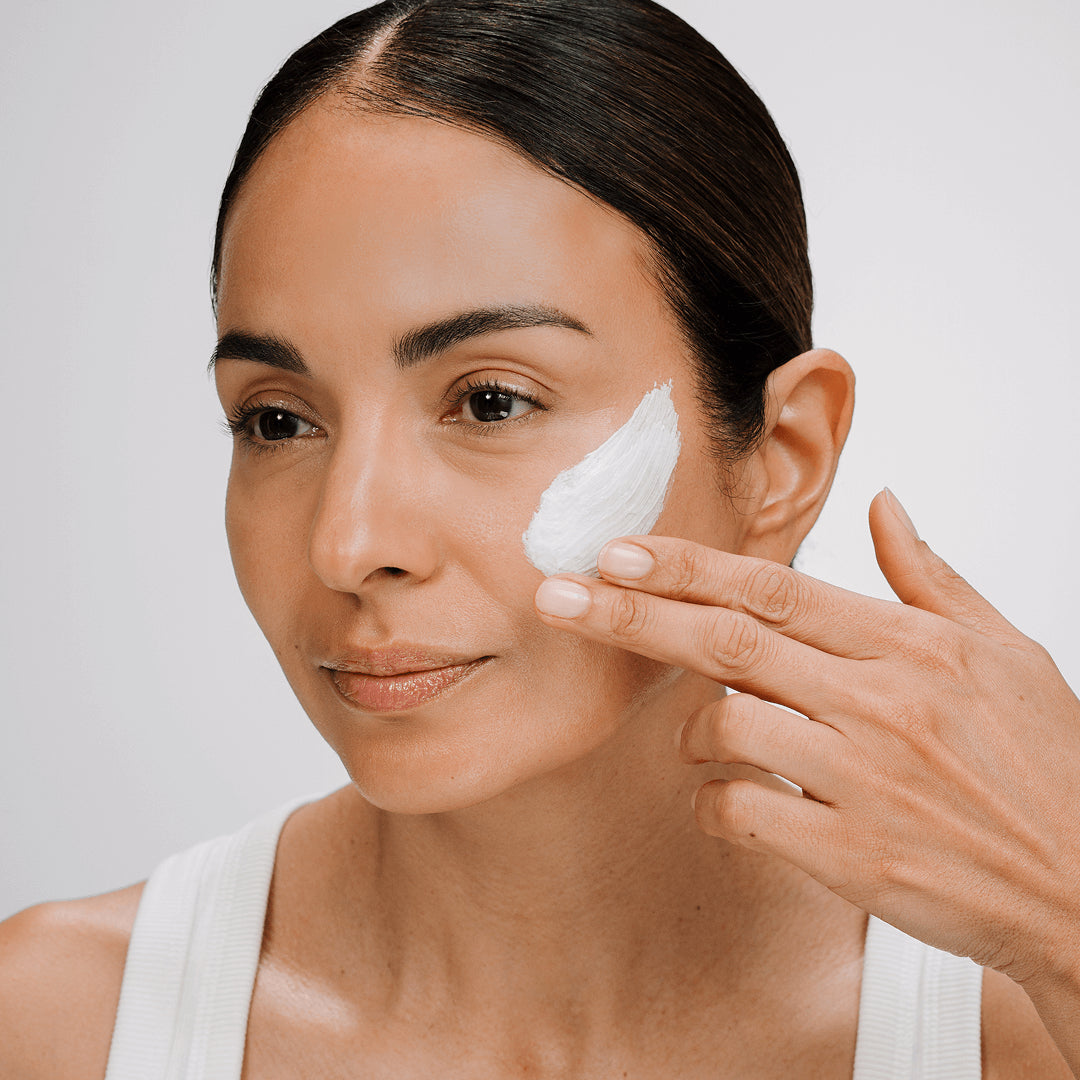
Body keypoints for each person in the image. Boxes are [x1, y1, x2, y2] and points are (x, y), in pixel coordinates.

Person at [2, 0, 1078, 1075]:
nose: (348, 542)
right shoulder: (57, 1024)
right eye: (277, 420)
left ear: (781, 458)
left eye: (491, 403)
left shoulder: (1026, 1023)